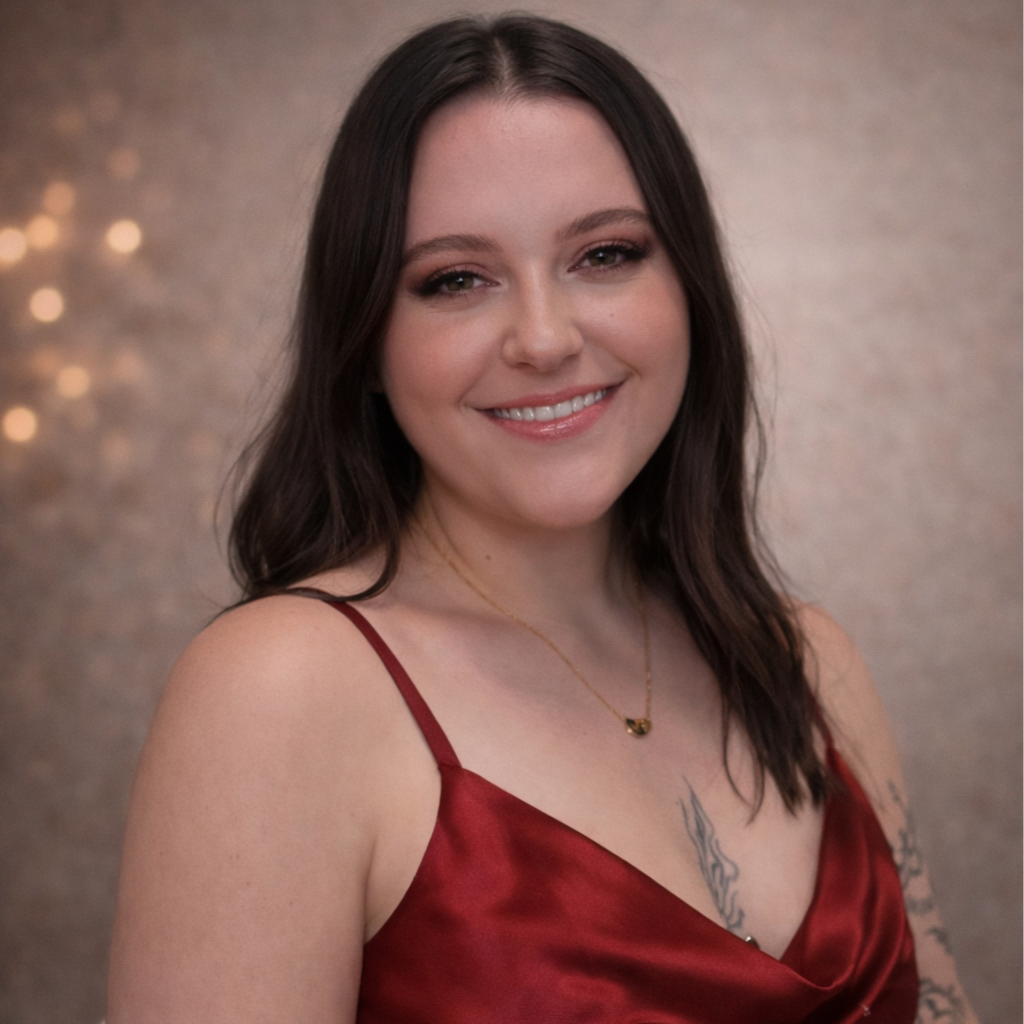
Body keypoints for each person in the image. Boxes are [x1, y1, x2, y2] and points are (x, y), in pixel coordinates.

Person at [106, 13, 978, 1023]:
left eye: (604, 254)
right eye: (455, 279)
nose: (544, 337)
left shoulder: (808, 663)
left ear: (689, 290)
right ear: (366, 343)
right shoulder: (280, 688)